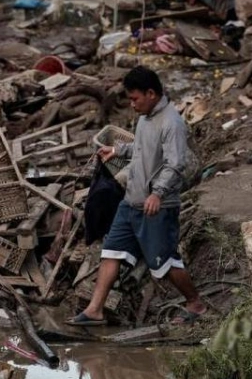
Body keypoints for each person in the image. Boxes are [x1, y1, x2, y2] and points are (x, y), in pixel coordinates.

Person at [67, 66, 206, 327]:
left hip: (157, 206)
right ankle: (94, 309)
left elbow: (175, 164)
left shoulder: (172, 123)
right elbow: (141, 149)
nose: (132, 105)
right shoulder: (144, 119)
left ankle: (195, 303)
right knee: (111, 252)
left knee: (163, 263)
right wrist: (117, 150)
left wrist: (158, 193)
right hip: (131, 201)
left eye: (135, 99)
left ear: (151, 93)